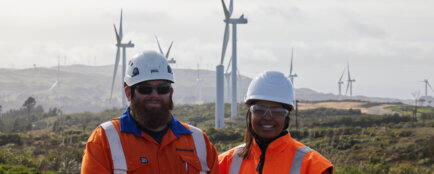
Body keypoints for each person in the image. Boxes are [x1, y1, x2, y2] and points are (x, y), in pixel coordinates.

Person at [81, 51, 219, 174]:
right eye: (145, 89)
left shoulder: (199, 141)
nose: (155, 95)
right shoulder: (105, 140)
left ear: (171, 93)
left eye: (162, 89)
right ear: (128, 92)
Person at [218, 71, 333, 174]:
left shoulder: (313, 167)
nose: (267, 117)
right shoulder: (224, 164)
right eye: (260, 110)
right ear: (250, 113)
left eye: (277, 111)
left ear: (287, 117)